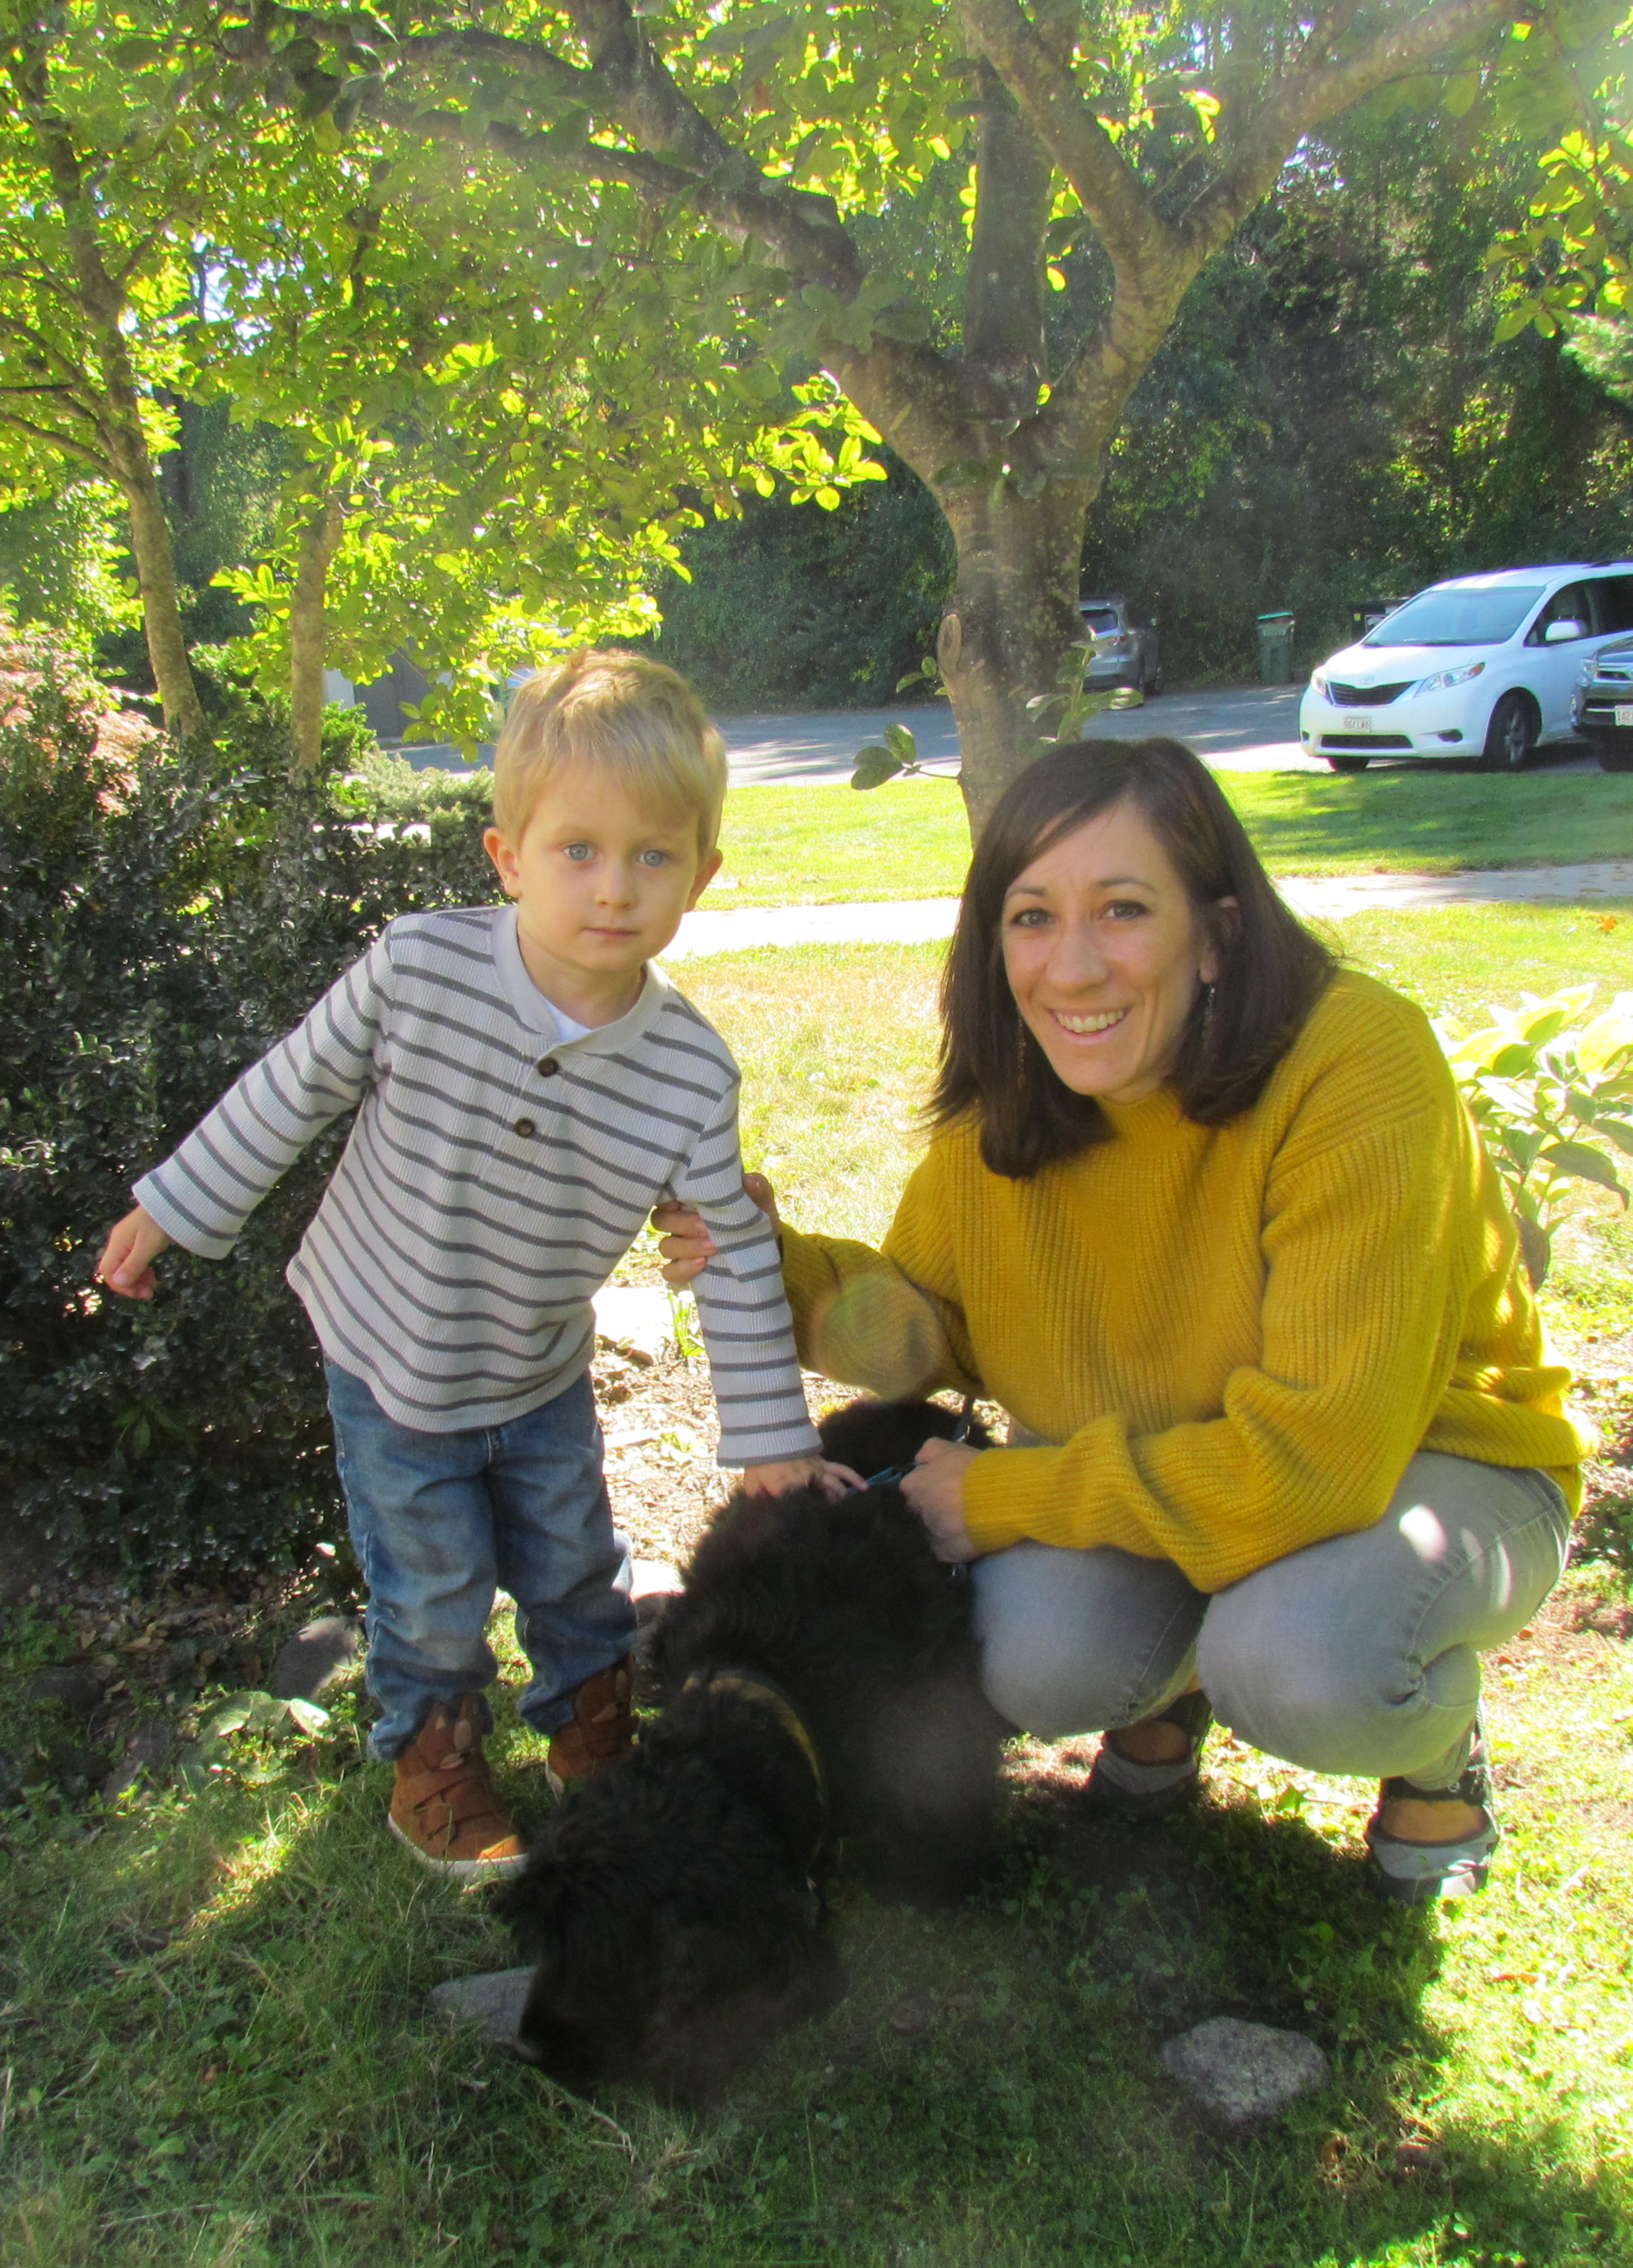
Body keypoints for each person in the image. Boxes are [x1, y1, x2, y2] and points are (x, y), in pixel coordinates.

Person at [657, 736, 1583, 1899]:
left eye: (1124, 910)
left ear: (1219, 932)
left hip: (1422, 1463)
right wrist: (767, 1262)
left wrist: (1005, 1497)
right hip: (1172, 1458)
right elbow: (929, 1327)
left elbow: (1317, 1462)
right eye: (1032, 918)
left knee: (1299, 1664)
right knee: (1037, 1663)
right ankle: (1176, 1688)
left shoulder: (1354, 1067)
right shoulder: (1018, 1095)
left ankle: (1433, 1749)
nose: (1074, 968)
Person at [97, 651, 842, 1877]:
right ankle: (433, 1760)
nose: (615, 887)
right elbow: (290, 1090)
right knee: (433, 1580)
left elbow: (730, 1251)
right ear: (508, 857)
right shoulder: (419, 969)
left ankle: (589, 1728)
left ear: (703, 875)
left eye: (654, 856)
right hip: (386, 1355)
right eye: (578, 850)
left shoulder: (690, 1072)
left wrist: (772, 1441)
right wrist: (169, 1208)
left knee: (575, 1564)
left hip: (538, 1369)